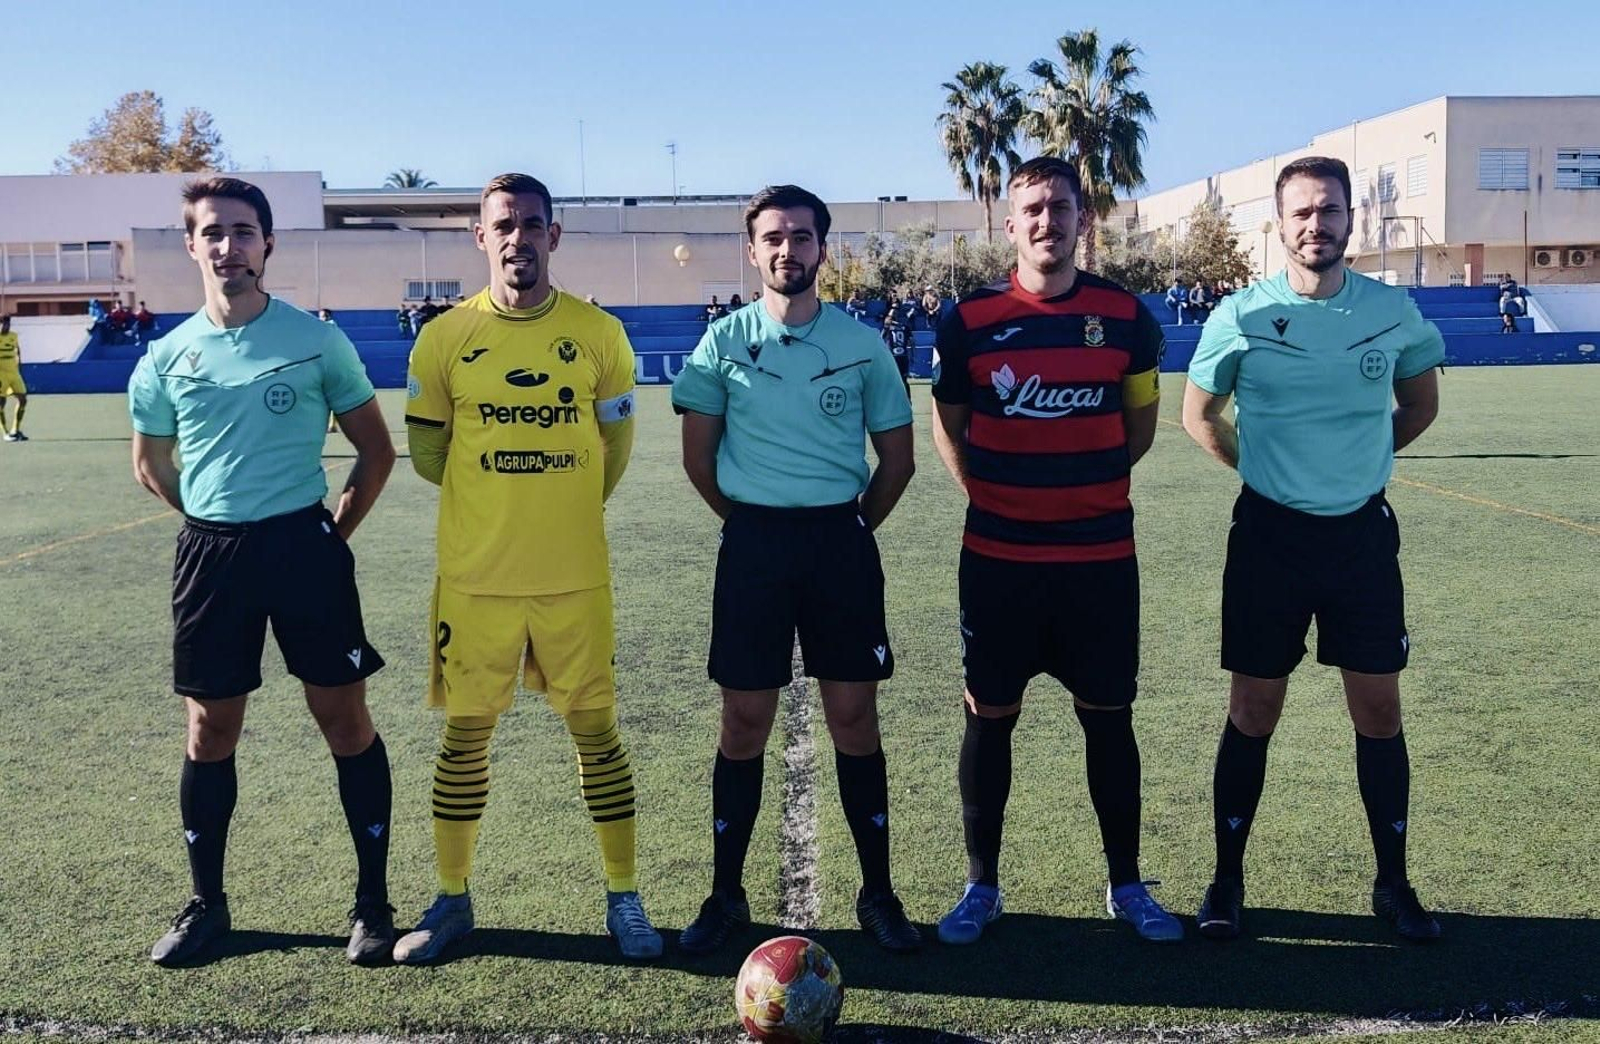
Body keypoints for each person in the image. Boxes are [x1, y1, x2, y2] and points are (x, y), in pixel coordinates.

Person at [128, 177, 398, 966]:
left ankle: (373, 903)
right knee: (210, 730)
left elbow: (375, 452)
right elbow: (150, 465)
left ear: (267, 244)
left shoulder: (316, 340)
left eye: (244, 232)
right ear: (191, 245)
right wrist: (213, 524)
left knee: (343, 719)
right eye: (212, 232)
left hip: (304, 548)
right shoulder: (166, 355)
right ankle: (207, 905)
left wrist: (329, 535)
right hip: (212, 556)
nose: (228, 247)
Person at [395, 172, 660, 964]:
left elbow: (613, 451)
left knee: (597, 736)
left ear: (556, 235)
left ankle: (624, 898)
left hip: (573, 575)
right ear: (481, 237)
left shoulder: (600, 334)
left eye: (533, 224)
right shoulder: (443, 338)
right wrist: (497, 501)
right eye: (503, 224)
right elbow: (429, 454)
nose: (519, 238)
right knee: (466, 738)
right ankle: (451, 900)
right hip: (476, 579)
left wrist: (561, 504)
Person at [1181, 156, 1444, 943]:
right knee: (1253, 710)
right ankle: (1227, 883)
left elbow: (1420, 406)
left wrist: (1357, 468)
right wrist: (1264, 471)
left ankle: (1393, 885)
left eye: (1329, 211)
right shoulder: (1242, 315)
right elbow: (1200, 416)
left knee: (1379, 709)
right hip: (1269, 539)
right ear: (1280, 222)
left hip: (1361, 539)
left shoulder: (1392, 312)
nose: (1316, 225)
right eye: (1301, 213)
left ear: (1350, 218)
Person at [930, 156, 1178, 946]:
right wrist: (993, 492)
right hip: (999, 562)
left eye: (1060, 208)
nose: (1047, 221)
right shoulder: (966, 322)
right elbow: (950, 425)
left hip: (1099, 563)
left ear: (1083, 220)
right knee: (989, 719)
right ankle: (981, 887)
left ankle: (1127, 884)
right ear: (1011, 224)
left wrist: (1083, 487)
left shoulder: (1126, 317)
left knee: (1109, 721)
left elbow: (1136, 429)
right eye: (1032, 209)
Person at [672, 184, 918, 955]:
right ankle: (724, 896)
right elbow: (699, 461)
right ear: (754, 250)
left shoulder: (863, 344)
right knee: (743, 723)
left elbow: (898, 463)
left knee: (854, 718)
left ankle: (878, 894)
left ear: (822, 248)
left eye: (802, 237)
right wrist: (754, 527)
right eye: (773, 238)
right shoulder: (722, 343)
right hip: (753, 548)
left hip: (838, 546)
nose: (789, 250)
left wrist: (843, 531)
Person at [0, 315, 28, 442]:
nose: (5, 327)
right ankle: (5, 433)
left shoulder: (13, 336)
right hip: (1, 374)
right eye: (3, 324)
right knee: (1, 402)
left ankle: (15, 430)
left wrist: (19, 365)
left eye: (7, 324)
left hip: (14, 373)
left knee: (23, 399)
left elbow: (18, 350)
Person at [880, 293, 911, 398]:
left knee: (892, 380)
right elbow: (911, 342)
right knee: (903, 380)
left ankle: (894, 401)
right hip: (902, 356)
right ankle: (907, 400)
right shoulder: (905, 327)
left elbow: (881, 340)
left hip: (893, 356)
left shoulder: (888, 327)